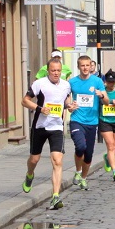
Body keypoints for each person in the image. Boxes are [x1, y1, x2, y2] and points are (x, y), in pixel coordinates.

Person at [22, 57, 73, 210]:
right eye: (53, 71)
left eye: (58, 70)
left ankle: (55, 196)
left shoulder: (66, 85)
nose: (56, 73)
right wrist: (40, 108)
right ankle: (30, 174)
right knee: (34, 159)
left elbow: (65, 101)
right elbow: (24, 101)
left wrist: (70, 106)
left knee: (57, 160)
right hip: (39, 126)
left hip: (56, 127)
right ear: (48, 70)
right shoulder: (40, 84)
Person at [68, 55, 108, 191]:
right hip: (76, 120)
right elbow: (67, 100)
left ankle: (84, 178)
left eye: (87, 65)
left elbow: (107, 100)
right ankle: (78, 172)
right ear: (78, 67)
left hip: (92, 121)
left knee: (89, 153)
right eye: (82, 66)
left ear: (91, 66)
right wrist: (69, 106)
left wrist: (102, 95)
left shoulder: (97, 81)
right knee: (80, 147)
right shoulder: (72, 82)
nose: (85, 68)